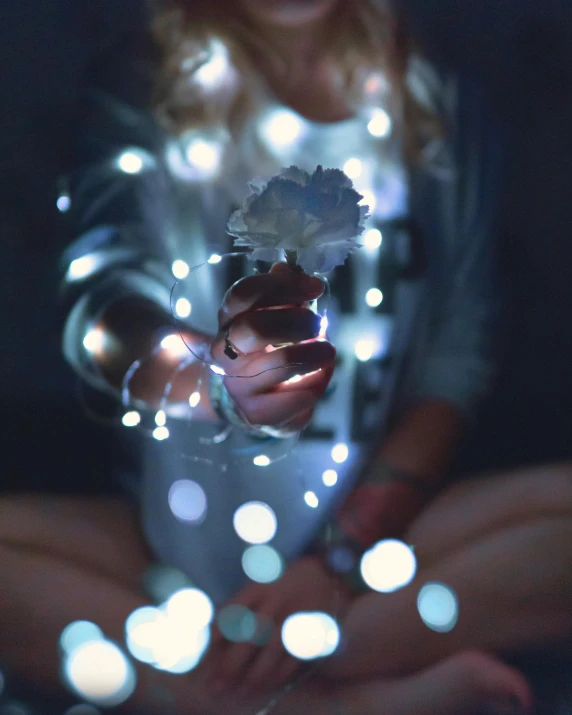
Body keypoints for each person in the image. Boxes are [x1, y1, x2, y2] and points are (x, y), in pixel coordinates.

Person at [2, 1, 572, 713]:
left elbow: (456, 361)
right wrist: (217, 377)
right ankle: (343, 704)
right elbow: (103, 304)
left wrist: (334, 561)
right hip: (177, 537)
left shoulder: (435, 101)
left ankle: (248, 675)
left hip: (376, 554)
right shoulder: (145, 86)